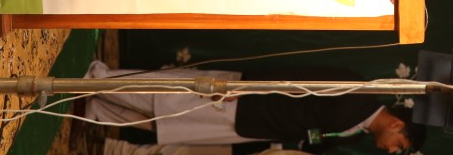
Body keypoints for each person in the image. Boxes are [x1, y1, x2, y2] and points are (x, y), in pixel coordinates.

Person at [83, 62, 425, 154]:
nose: (391, 150)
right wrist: (248, 86)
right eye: (399, 145)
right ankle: (97, 79)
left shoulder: (354, 137)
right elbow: (296, 75)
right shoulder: (358, 90)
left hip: (249, 128)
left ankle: (97, 106)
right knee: (170, 94)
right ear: (397, 125)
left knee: (169, 123)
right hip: (246, 98)